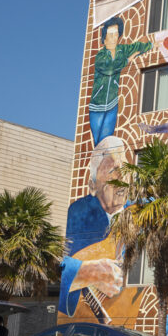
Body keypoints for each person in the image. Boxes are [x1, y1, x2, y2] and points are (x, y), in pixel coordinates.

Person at [59, 136, 127, 317]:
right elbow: (61, 263)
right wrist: (84, 272)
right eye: (113, 170)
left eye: (126, 169)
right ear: (92, 185)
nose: (122, 177)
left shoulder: (140, 213)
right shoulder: (78, 214)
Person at [89, 17, 155, 146]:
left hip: (112, 105)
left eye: (116, 34)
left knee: (105, 141)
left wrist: (152, 45)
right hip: (97, 107)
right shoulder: (100, 56)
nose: (114, 38)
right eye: (110, 34)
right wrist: (128, 60)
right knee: (97, 143)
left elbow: (136, 46)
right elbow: (109, 69)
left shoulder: (121, 50)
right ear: (104, 37)